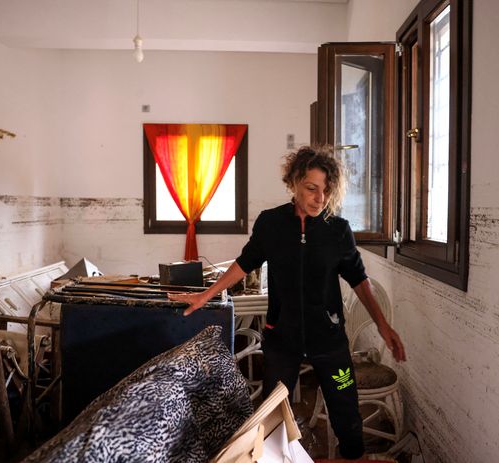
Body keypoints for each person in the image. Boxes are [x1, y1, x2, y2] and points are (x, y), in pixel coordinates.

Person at [169, 145, 406, 459]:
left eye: (326, 190)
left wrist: (383, 325)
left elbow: (359, 280)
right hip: (282, 341)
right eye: (311, 188)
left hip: (331, 343)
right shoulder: (271, 224)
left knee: (347, 416)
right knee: (273, 420)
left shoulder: (338, 230)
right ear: (294, 183)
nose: (319, 198)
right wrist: (206, 295)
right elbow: (244, 263)